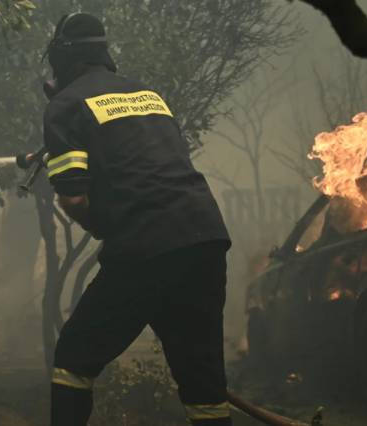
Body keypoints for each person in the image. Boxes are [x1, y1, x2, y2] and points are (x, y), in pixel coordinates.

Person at [42, 12, 233, 426]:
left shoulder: (65, 105)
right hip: (204, 239)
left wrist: (101, 226)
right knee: (203, 386)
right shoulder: (149, 96)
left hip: (146, 246)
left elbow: (73, 197)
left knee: (74, 358)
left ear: (62, 57)